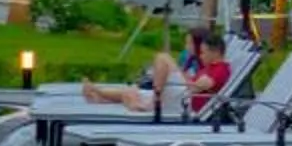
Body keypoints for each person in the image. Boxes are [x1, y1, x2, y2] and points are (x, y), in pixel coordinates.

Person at [81, 26, 234, 112]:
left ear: (215, 53)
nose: (201, 56)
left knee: (162, 57)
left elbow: (199, 86)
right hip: (182, 96)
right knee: (130, 92)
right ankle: (99, 95)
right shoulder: (209, 67)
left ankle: (154, 98)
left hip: (185, 102)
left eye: (204, 53)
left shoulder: (220, 69)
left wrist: (184, 77)